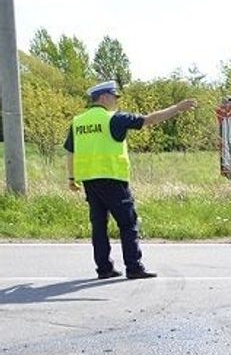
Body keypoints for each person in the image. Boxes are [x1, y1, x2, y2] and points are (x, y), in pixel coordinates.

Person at [64, 80, 197, 279]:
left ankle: (104, 269)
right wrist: (177, 108)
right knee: (128, 224)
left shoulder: (78, 121)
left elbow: (70, 152)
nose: (116, 101)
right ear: (103, 97)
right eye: (114, 97)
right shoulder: (114, 118)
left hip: (90, 181)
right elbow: (149, 120)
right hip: (113, 179)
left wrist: (71, 177)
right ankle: (134, 267)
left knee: (99, 226)